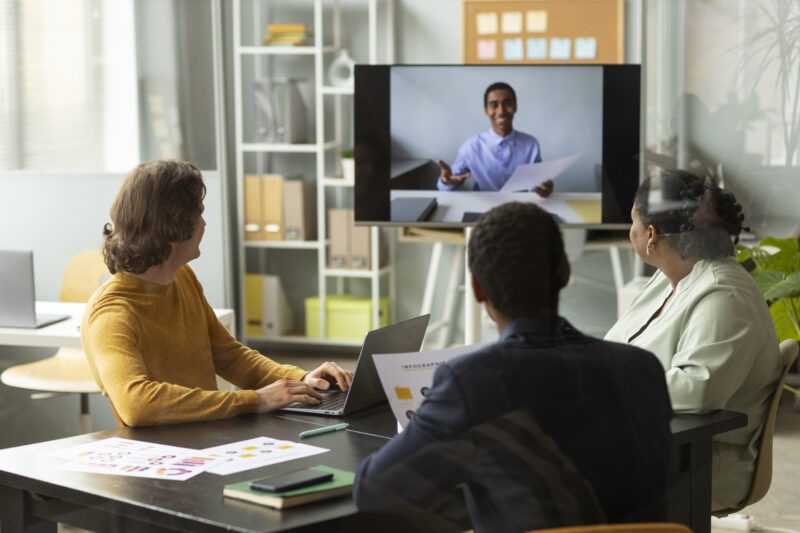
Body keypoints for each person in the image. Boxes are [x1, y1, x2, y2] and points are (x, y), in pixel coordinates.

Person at [354, 202, 673, 531]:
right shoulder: (642, 368)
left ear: (477, 288)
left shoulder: (473, 383)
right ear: (564, 272)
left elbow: (374, 492)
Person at [81, 159, 352, 427]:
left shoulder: (181, 277)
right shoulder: (111, 314)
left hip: (210, 440)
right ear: (172, 224)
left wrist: (302, 380)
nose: (203, 224)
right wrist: (254, 400)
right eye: (198, 214)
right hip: (164, 457)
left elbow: (228, 356)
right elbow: (136, 405)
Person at [604, 171, 782, 510]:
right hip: (656, 439)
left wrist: (611, 384)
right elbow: (618, 347)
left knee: (557, 470)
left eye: (633, 222)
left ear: (651, 235)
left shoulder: (723, 294)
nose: (632, 232)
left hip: (701, 460)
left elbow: (699, 388)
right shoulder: (670, 277)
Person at [436, 81, 554, 196]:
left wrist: (541, 188)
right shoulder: (471, 147)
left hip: (520, 208)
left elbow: (534, 184)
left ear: (515, 107)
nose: (501, 111)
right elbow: (447, 184)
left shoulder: (531, 144)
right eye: (494, 105)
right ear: (486, 111)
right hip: (484, 209)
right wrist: (447, 181)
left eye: (507, 104)